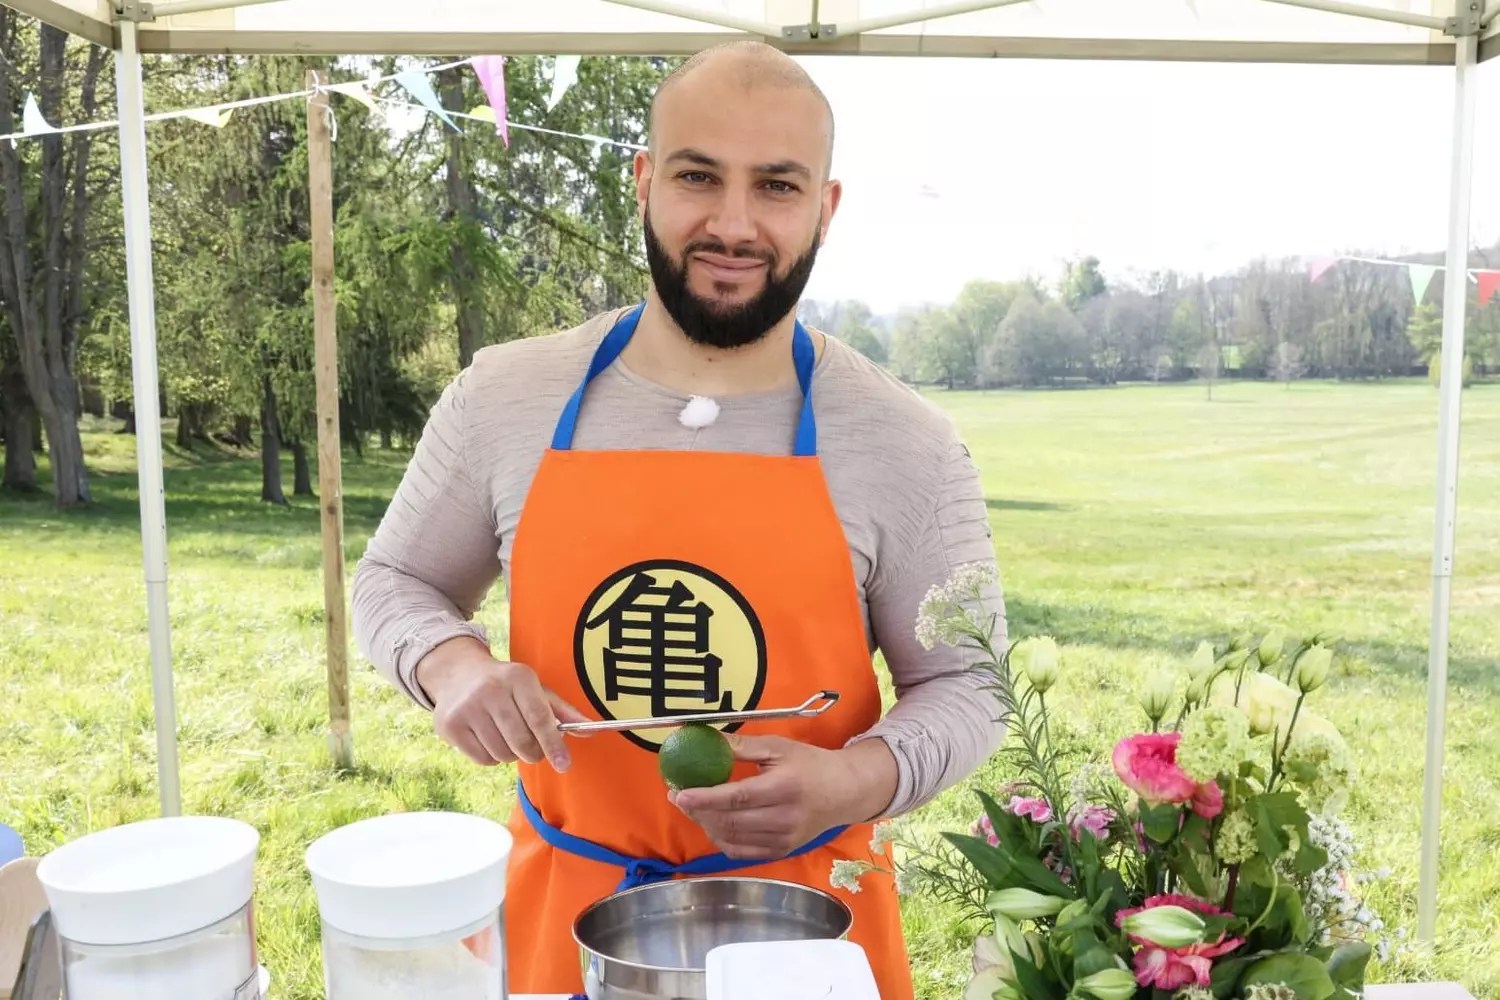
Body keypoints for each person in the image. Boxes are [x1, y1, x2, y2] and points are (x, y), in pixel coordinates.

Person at [351, 40, 1005, 999]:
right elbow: (394, 581)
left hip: (811, 932)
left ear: (823, 208)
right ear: (645, 181)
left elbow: (973, 684)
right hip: (567, 925)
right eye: (699, 176)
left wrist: (858, 780)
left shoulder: (908, 441)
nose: (733, 224)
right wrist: (452, 667)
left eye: (777, 186)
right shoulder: (505, 397)